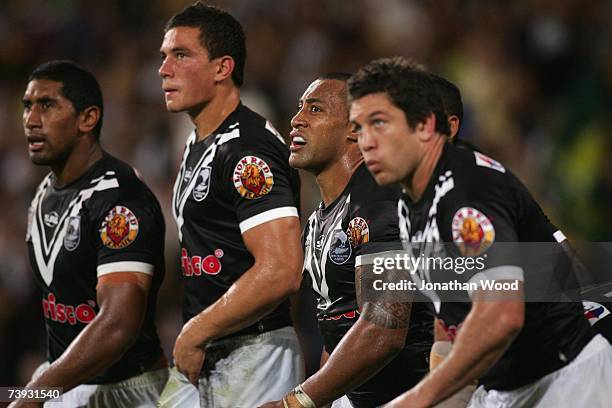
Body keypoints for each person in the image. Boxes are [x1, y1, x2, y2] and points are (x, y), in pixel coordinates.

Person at [348, 56, 612, 407]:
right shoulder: (410, 204)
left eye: (379, 123)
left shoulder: (465, 193)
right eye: (359, 127)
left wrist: (415, 400)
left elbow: (501, 315)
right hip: (507, 388)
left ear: (426, 125)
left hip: (564, 382)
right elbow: (451, 319)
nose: (366, 141)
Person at [157, 2, 304, 406]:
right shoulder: (197, 142)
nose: (164, 69)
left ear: (223, 68)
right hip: (207, 348)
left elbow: (282, 270)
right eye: (164, 57)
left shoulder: (247, 149)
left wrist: (197, 329)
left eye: (181, 55)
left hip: (254, 352)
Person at [261, 73, 432, 408]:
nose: (297, 120)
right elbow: (338, 334)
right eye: (299, 108)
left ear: (355, 129)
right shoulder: (318, 221)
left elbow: (384, 329)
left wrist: (296, 403)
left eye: (315, 109)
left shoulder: (382, 201)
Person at [11, 60, 168, 408]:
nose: (31, 120)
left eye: (47, 105)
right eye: (27, 106)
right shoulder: (43, 194)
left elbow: (117, 324)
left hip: (131, 391)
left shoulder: (121, 200)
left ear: (88, 118)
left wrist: (35, 394)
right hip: (64, 384)